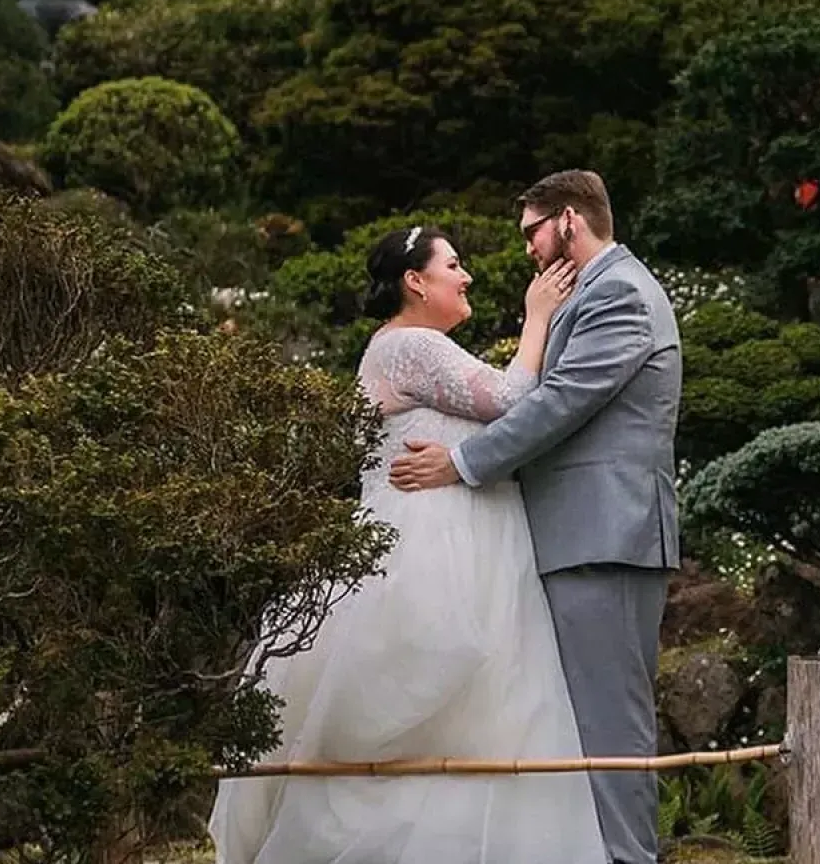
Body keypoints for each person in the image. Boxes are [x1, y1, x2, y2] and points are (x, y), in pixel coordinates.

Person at [209, 226, 606, 864]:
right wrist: (538, 316)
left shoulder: (408, 347)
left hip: (467, 541)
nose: (467, 275)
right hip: (435, 548)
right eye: (454, 264)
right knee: (440, 707)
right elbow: (509, 400)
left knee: (483, 713)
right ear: (415, 282)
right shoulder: (411, 345)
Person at [390, 170, 682, 864]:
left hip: (605, 537)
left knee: (611, 728)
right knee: (587, 724)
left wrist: (460, 464)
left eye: (532, 232)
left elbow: (559, 404)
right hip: (586, 536)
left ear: (571, 221)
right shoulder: (598, 289)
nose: (526, 249)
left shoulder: (618, 294)